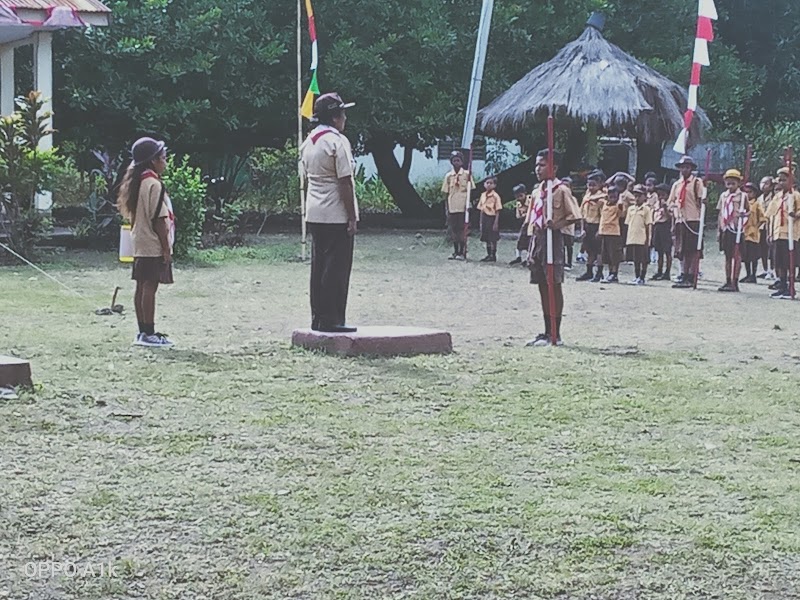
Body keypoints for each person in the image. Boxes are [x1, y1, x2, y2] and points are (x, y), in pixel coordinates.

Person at [300, 92, 359, 333]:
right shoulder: (337, 141)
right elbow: (345, 181)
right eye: (343, 113)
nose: (345, 119)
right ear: (335, 117)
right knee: (337, 267)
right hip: (336, 212)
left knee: (319, 266)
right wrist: (352, 216)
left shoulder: (309, 141)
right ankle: (333, 318)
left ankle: (318, 316)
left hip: (314, 211)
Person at [117, 137, 175, 348]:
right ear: (153, 161)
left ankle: (143, 330)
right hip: (152, 242)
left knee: (141, 286)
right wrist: (166, 248)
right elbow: (160, 219)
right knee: (150, 286)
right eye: (163, 158)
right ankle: (149, 333)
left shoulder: (136, 183)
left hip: (139, 241)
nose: (165, 162)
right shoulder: (153, 184)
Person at [526, 149, 581, 347]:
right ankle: (546, 330)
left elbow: (574, 215)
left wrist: (556, 224)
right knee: (541, 284)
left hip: (554, 238)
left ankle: (556, 333)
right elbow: (530, 220)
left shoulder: (561, 190)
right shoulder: (536, 191)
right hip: (538, 239)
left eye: (542, 165)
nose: (537, 169)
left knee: (553, 285)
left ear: (554, 167)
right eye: (537, 165)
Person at [668, 156, 706, 288]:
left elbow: (702, 200)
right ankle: (683, 274)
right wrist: (673, 209)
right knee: (681, 249)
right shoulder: (676, 185)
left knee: (692, 249)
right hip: (680, 220)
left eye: (687, 167)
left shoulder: (697, 183)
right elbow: (671, 201)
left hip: (693, 219)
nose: (685, 170)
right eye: (682, 167)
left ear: (691, 169)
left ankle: (691, 275)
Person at [765, 167, 800, 299]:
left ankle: (791, 288)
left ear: (791, 180)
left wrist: (795, 214)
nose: (781, 182)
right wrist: (770, 233)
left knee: (789, 261)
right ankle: (782, 285)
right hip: (777, 233)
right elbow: (770, 215)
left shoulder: (795, 195)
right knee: (778, 262)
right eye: (780, 180)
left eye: (784, 180)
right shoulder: (778, 196)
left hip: (790, 233)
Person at [716, 169, 748, 292]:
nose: (730, 186)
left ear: (738, 183)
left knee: (737, 256)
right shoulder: (723, 196)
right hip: (726, 229)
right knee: (727, 256)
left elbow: (748, 211)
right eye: (728, 183)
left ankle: (735, 281)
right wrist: (719, 230)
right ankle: (728, 280)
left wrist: (743, 215)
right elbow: (720, 213)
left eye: (733, 183)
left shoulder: (743, 196)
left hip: (737, 229)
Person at [441, 151, 472, 260]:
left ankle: (462, 252)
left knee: (462, 229)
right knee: (454, 230)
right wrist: (447, 208)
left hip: (463, 206)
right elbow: (446, 193)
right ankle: (455, 251)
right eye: (454, 160)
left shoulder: (467, 174)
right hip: (452, 205)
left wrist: (469, 205)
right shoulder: (448, 176)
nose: (456, 162)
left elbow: (470, 191)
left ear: (462, 162)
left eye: (458, 160)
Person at [576, 170, 605, 282]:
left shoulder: (601, 198)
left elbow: (603, 216)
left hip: (596, 226)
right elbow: (582, 214)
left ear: (599, 184)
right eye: (589, 184)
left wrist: (600, 230)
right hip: (587, 226)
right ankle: (588, 272)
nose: (591, 187)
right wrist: (582, 229)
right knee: (589, 250)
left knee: (598, 251)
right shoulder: (586, 197)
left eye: (594, 185)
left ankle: (599, 272)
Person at [625, 184, 653, 285]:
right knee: (636, 259)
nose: (637, 198)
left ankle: (642, 277)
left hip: (642, 238)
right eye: (635, 196)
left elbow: (648, 225)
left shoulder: (646, 209)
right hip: (633, 237)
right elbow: (628, 224)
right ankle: (637, 276)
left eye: (639, 196)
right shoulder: (631, 209)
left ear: (645, 197)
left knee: (643, 259)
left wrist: (648, 239)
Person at [741, 181, 767, 284]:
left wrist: (756, 227)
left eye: (750, 192)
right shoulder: (742, 204)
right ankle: (748, 274)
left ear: (755, 193)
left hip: (753, 233)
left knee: (753, 256)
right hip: (744, 232)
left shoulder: (756, 204)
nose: (748, 194)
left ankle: (753, 274)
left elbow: (762, 218)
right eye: (746, 192)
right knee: (746, 255)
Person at [599, 186, 624, 283]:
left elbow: (621, 206)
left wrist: (620, 196)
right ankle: (610, 273)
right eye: (610, 195)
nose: (612, 197)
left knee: (614, 255)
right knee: (607, 255)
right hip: (604, 232)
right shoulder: (604, 205)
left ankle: (614, 273)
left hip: (614, 233)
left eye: (614, 196)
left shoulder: (618, 206)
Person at [650, 183, 674, 280]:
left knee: (667, 251)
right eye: (659, 195)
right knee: (658, 251)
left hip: (665, 226)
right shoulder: (656, 204)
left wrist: (665, 208)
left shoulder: (670, 204)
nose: (660, 197)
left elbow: (670, 217)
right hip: (657, 226)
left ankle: (667, 272)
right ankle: (659, 271)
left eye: (663, 195)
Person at [477, 176, 502, 262]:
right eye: (487, 183)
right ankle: (488, 254)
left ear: (494, 185)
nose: (488, 185)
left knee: (493, 238)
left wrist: (496, 222)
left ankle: (493, 254)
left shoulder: (496, 196)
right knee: (486, 236)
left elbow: (498, 210)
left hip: (492, 217)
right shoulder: (482, 195)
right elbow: (481, 209)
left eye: (491, 183)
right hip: (484, 217)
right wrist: (480, 222)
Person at [758, 176, 776, 279]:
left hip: (771, 225)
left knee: (771, 249)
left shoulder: (774, 198)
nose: (763, 185)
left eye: (766, 183)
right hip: (761, 226)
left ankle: (772, 269)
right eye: (761, 183)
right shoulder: (759, 198)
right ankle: (765, 269)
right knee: (762, 249)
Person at [509, 184, 530, 265]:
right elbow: (518, 216)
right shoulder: (518, 204)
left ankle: (528, 258)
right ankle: (518, 257)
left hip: (532, 224)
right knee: (520, 240)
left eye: (520, 196)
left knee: (530, 241)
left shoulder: (531, 200)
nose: (519, 198)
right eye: (517, 196)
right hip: (524, 224)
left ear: (525, 193)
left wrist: (525, 215)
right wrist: (523, 215)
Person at [561, 176, 576, 270]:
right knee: (560, 246)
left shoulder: (572, 199)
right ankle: (561, 262)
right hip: (560, 226)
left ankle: (569, 263)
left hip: (569, 227)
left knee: (569, 246)